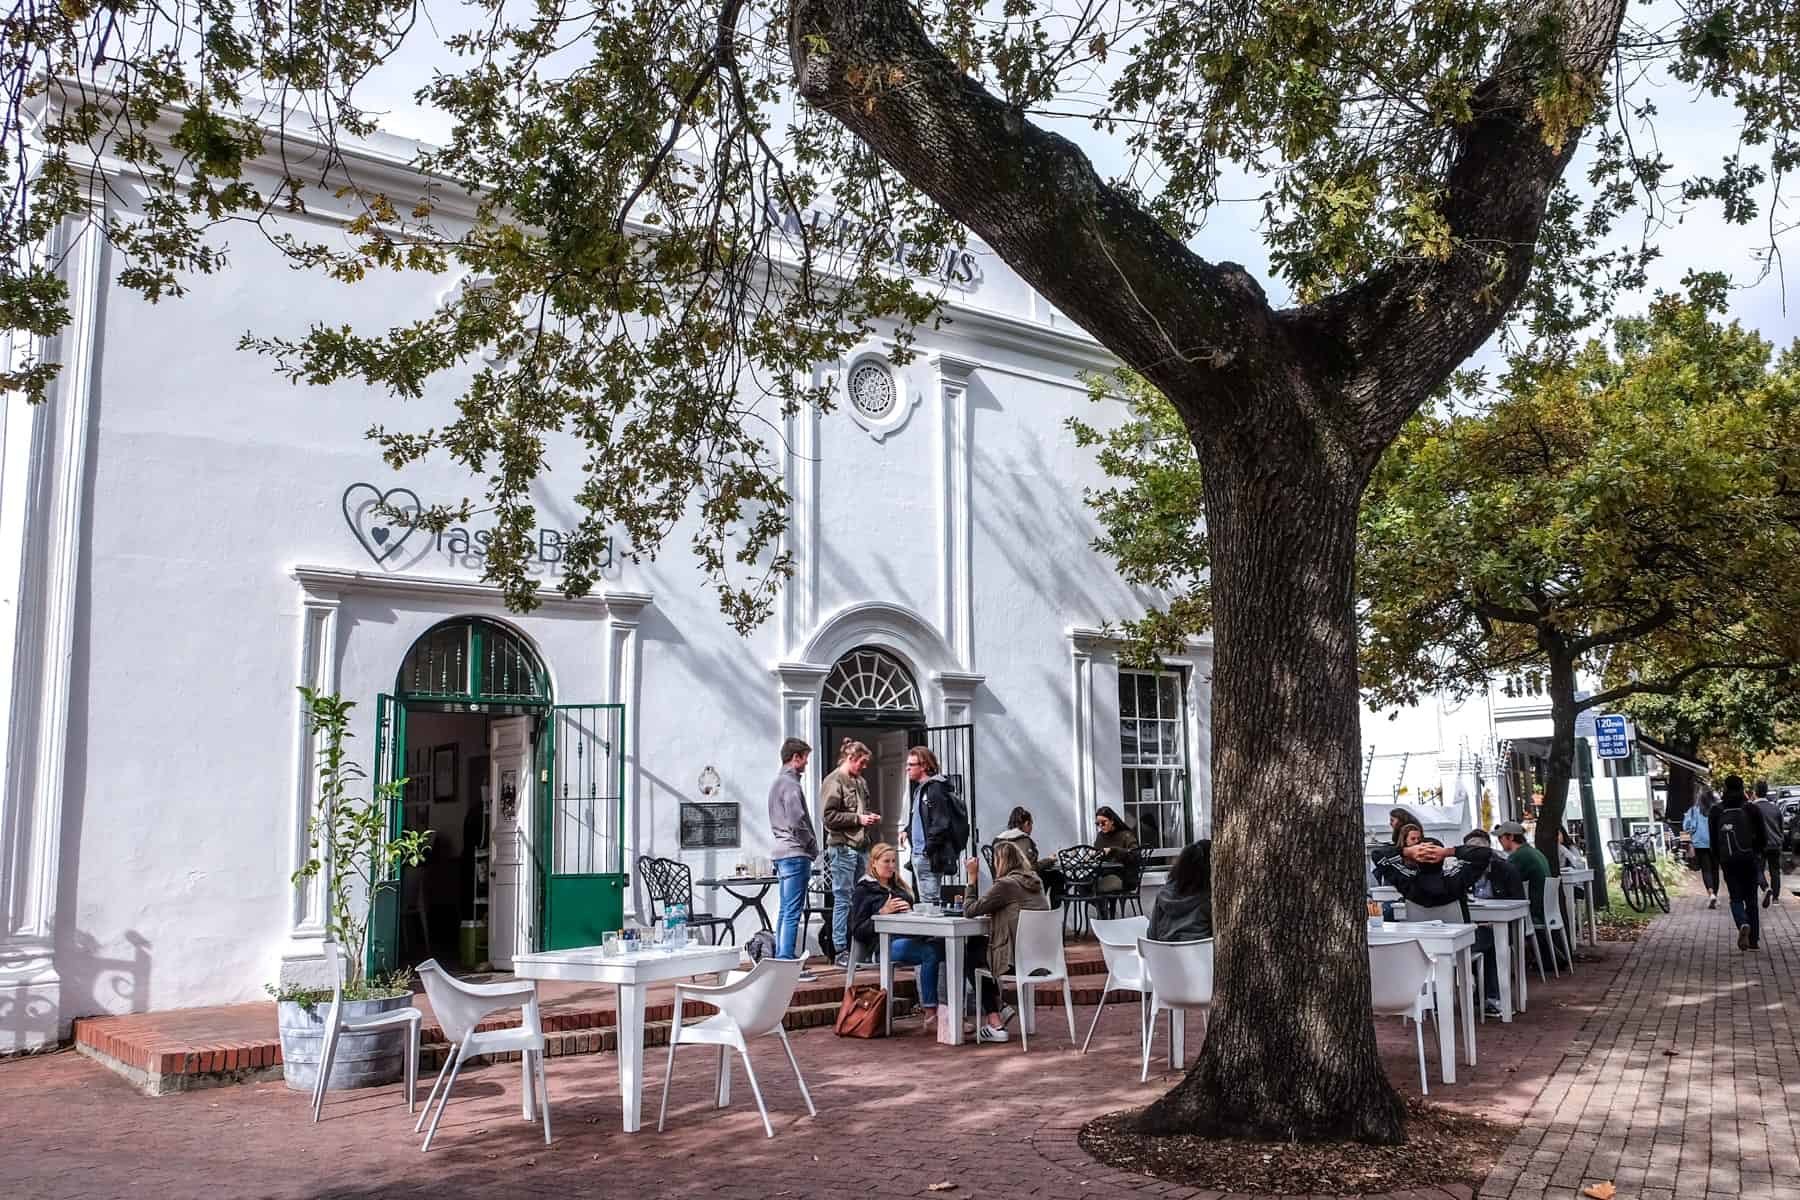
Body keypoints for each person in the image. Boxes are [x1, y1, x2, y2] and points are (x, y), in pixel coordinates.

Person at [958, 838, 1050, 1042]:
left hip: (1016, 961)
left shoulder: (1006, 884)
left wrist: (971, 877)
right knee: (979, 948)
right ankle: (999, 1005)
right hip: (1040, 960)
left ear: (1001, 863)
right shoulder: (1035, 881)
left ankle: (995, 1022)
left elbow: (970, 910)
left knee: (970, 953)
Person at [847, 843, 940, 1021]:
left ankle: (950, 1011)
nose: (891, 866)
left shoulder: (900, 888)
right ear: (873, 863)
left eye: (893, 861)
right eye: (886, 861)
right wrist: (881, 913)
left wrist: (910, 909)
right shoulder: (864, 891)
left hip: (910, 937)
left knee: (946, 948)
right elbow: (857, 930)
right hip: (879, 947)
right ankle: (931, 1014)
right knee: (929, 953)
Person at [821, 738, 881, 967]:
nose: (864, 767)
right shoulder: (834, 781)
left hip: (861, 846)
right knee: (843, 898)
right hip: (842, 847)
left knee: (866, 897)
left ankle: (862, 947)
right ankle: (840, 949)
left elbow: (860, 811)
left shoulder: (861, 782)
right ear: (851, 758)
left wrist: (869, 818)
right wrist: (858, 819)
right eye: (862, 762)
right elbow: (828, 817)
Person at [767, 736, 819, 978]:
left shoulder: (777, 783)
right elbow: (797, 820)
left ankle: (781, 960)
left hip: (781, 852)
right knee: (792, 911)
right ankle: (787, 962)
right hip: (795, 853)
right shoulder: (790, 784)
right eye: (805, 759)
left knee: (785, 909)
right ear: (795, 757)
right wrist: (811, 845)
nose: (806, 765)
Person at [1494, 820, 1568, 973]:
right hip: (1544, 908)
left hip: (1534, 910)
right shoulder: (1533, 852)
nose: (1499, 841)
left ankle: (1505, 969)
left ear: (1510, 837)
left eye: (1500, 837)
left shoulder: (1519, 857)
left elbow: (1504, 882)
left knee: (1494, 924)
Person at [1710, 775, 1768, 950]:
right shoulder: (1751, 809)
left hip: (1728, 860)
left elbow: (1713, 840)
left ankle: (1742, 922)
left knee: (1735, 897)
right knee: (1751, 898)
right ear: (1742, 787)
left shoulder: (1716, 811)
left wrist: (1719, 858)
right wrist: (1756, 852)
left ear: (1725, 788)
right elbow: (1762, 837)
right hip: (1749, 858)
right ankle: (1753, 940)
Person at [900, 746, 961, 904]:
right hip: (919, 853)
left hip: (927, 855)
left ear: (924, 766)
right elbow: (921, 816)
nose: (907, 768)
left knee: (930, 903)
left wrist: (928, 849)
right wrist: (907, 830)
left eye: (911, 764)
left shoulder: (934, 789)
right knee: (927, 901)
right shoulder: (921, 789)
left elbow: (941, 822)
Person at [1147, 840, 1212, 942]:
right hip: (1201, 954)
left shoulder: (1163, 895)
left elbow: (1151, 936)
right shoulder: (1209, 900)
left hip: (1163, 954)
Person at [1093, 806, 1140, 903]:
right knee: (1081, 885)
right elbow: (1097, 854)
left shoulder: (1125, 835)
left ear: (1112, 821)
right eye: (1098, 823)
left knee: (1092, 886)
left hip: (1124, 877)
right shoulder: (1100, 836)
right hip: (1104, 874)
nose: (1101, 826)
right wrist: (1090, 855)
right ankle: (1103, 910)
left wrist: (1113, 850)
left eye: (1103, 822)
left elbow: (1135, 853)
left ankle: (1105, 912)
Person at [1683, 787, 1719, 908]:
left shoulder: (1693, 811)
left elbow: (1686, 827)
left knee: (1706, 870)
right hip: (1715, 843)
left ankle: (1711, 894)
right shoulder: (1716, 810)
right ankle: (1715, 895)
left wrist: (1688, 842)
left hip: (1700, 844)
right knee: (1715, 870)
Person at [1753, 781, 1782, 908]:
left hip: (1759, 845)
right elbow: (1780, 826)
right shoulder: (1775, 808)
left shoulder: (1752, 808)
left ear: (1755, 792)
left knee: (1757, 869)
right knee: (1775, 871)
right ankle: (1776, 898)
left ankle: (1765, 887)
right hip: (1775, 844)